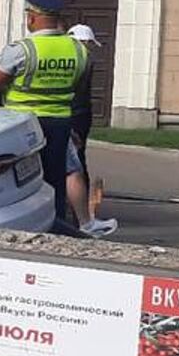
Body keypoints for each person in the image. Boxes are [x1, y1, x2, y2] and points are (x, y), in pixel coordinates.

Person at [0, 0, 88, 233]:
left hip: (22, 125)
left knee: (21, 181)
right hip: (59, 124)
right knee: (55, 179)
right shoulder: (79, 50)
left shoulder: (22, 49)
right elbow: (77, 86)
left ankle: (21, 227)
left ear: (32, 18)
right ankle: (56, 227)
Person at [67, 23, 116, 236]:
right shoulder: (81, 61)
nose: (89, 48)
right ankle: (83, 218)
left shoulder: (75, 59)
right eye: (87, 43)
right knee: (75, 167)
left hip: (75, 117)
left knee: (71, 164)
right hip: (75, 118)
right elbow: (73, 96)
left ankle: (75, 213)